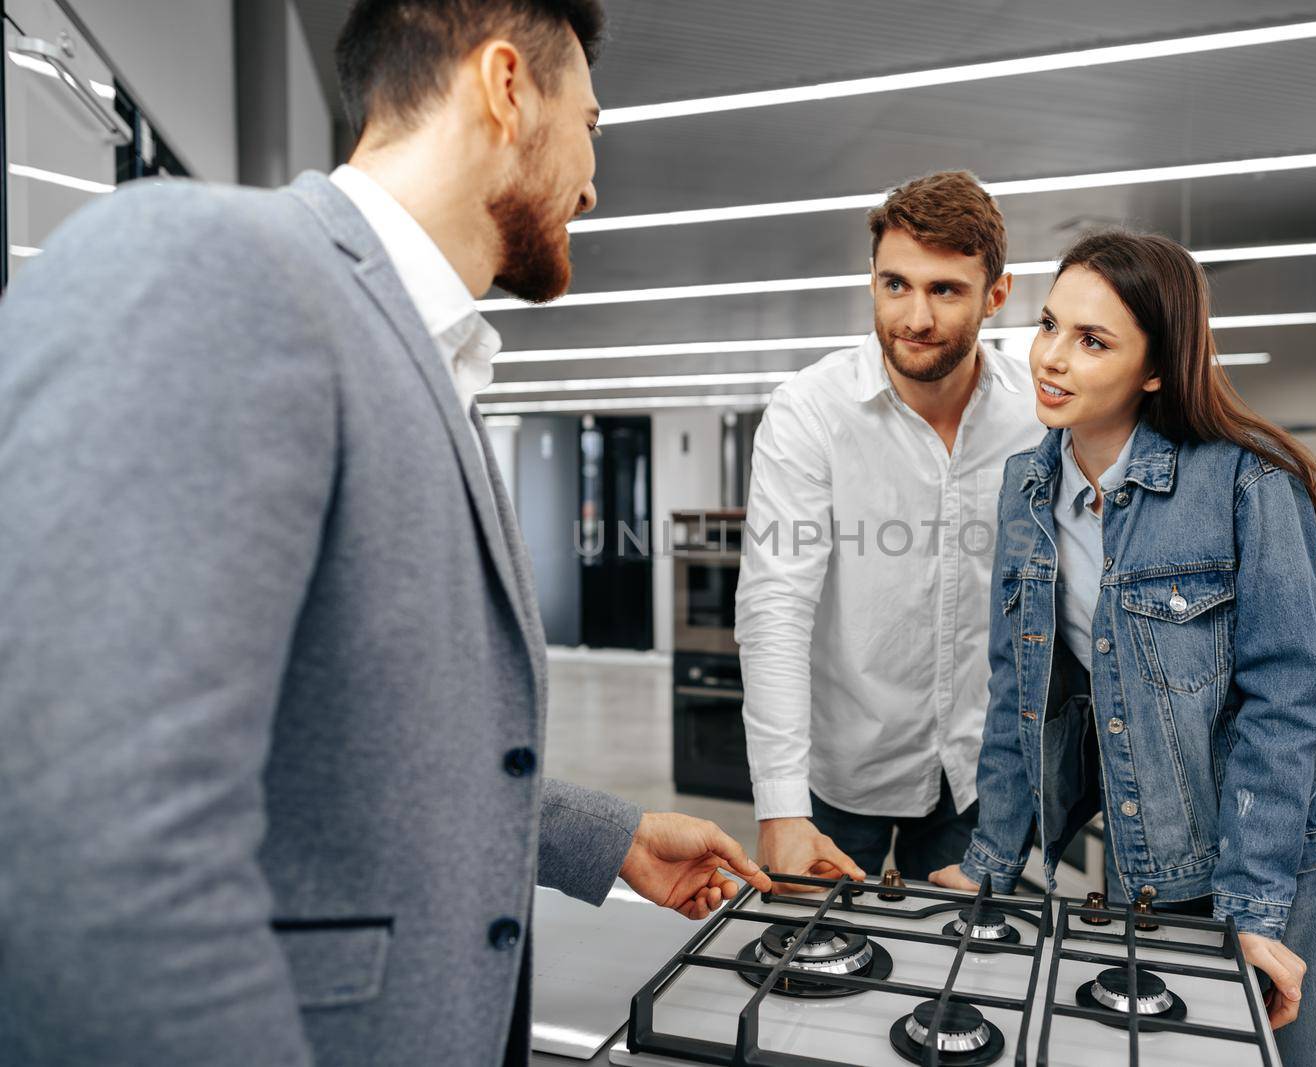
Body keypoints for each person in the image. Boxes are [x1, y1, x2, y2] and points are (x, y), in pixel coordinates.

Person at [0, 2, 770, 1064]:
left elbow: (348, 737)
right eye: (591, 125)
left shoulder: (416, 356)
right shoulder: (208, 266)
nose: (593, 181)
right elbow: (89, 843)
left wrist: (613, 837)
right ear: (506, 86)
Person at [930, 230, 1316, 1065]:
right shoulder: (1027, 484)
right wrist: (990, 860)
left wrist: (1253, 909)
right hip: (1152, 872)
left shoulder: (1246, 482)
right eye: (1050, 325)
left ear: (1157, 367)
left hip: (1286, 871)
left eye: (1092, 340)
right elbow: (1019, 689)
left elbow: (1294, 706)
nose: (1052, 359)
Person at [736, 171, 1042, 888]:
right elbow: (775, 607)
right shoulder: (809, 411)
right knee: (812, 983)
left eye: (945, 289)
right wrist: (780, 806)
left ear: (996, 295)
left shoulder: (1038, 415)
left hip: (981, 775)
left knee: (969, 986)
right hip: (839, 772)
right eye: (895, 284)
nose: (915, 316)